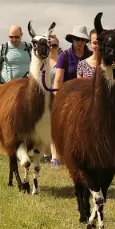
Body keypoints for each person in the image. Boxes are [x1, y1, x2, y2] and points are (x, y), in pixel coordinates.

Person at [50, 26, 93, 169]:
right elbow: (58, 79)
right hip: (67, 95)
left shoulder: (91, 55)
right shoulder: (65, 55)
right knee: (59, 125)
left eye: (82, 39)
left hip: (87, 98)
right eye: (76, 39)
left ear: (86, 41)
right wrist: (57, 98)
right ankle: (55, 157)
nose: (79, 42)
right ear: (72, 40)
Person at [76, 29, 115, 97]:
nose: (99, 46)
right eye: (95, 43)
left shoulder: (113, 64)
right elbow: (79, 91)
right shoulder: (82, 65)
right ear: (90, 44)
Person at [43, 34, 61, 164]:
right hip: (44, 97)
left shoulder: (62, 60)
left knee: (55, 126)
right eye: (49, 45)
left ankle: (56, 156)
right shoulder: (42, 61)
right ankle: (46, 153)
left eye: (54, 45)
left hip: (58, 97)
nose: (51, 47)